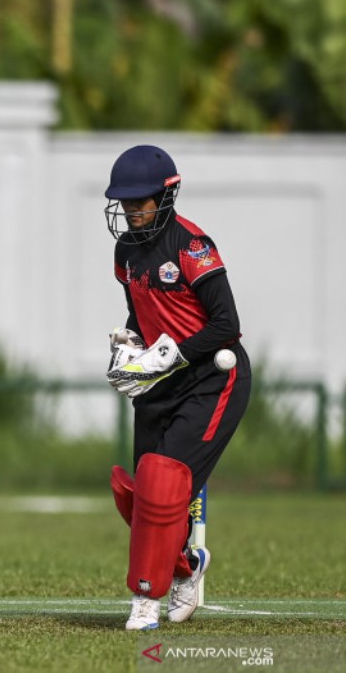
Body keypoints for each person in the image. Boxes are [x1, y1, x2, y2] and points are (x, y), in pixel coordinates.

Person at [102, 145, 252, 630]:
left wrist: (174, 353)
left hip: (212, 379)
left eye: (140, 201)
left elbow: (226, 325)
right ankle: (188, 566)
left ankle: (145, 599)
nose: (131, 211)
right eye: (125, 203)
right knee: (142, 491)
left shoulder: (192, 247)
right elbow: (141, 312)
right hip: (157, 386)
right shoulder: (126, 251)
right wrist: (133, 344)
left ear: (166, 195)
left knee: (165, 483)